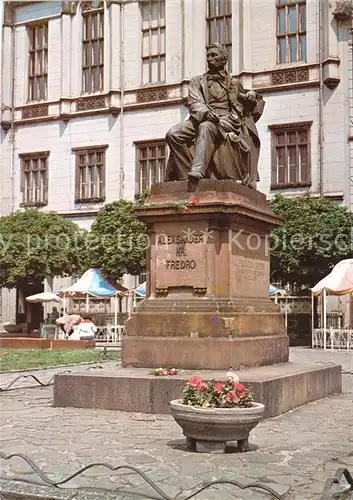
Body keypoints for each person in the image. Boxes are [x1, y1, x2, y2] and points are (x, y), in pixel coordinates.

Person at [164, 43, 264, 187]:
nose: (210, 59)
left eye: (214, 55)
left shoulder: (233, 82)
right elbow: (194, 102)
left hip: (226, 119)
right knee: (173, 134)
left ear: (224, 59)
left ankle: (198, 170)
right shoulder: (197, 81)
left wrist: (252, 95)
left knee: (206, 127)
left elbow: (248, 100)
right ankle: (186, 173)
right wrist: (205, 112)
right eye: (208, 56)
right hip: (200, 117)